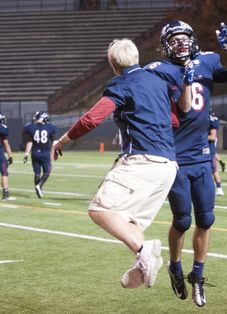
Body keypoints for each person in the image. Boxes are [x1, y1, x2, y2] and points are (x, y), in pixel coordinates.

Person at [52, 38, 191, 289]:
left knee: (99, 210)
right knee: (130, 222)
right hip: (168, 165)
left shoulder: (121, 83)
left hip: (141, 160)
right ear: (136, 57)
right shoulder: (158, 80)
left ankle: (143, 249)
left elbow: (92, 119)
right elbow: (173, 121)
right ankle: (143, 260)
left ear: (113, 63)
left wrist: (62, 141)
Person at [145, 21, 227, 307]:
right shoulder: (161, 71)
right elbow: (185, 108)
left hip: (201, 154)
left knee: (206, 218)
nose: (181, 44)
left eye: (184, 38)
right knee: (183, 220)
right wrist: (187, 79)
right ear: (166, 45)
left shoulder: (207, 61)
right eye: (174, 40)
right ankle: (175, 266)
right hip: (175, 156)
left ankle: (197, 274)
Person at [23, 111, 57, 198]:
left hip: (34, 153)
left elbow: (29, 142)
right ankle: (40, 186)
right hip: (45, 153)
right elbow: (54, 142)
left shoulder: (31, 128)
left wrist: (26, 154)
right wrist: (53, 153)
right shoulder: (50, 127)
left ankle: (38, 190)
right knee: (48, 171)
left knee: (37, 173)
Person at [208, 110, 224, 196]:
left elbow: (212, 137)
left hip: (209, 149)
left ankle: (219, 188)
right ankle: (218, 188)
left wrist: (199, 137)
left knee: (213, 170)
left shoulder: (211, 121)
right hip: (207, 148)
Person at [0, 114, 13, 200]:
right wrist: (10, 156)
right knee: (4, 172)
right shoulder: (2, 129)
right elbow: (6, 144)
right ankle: (5, 192)